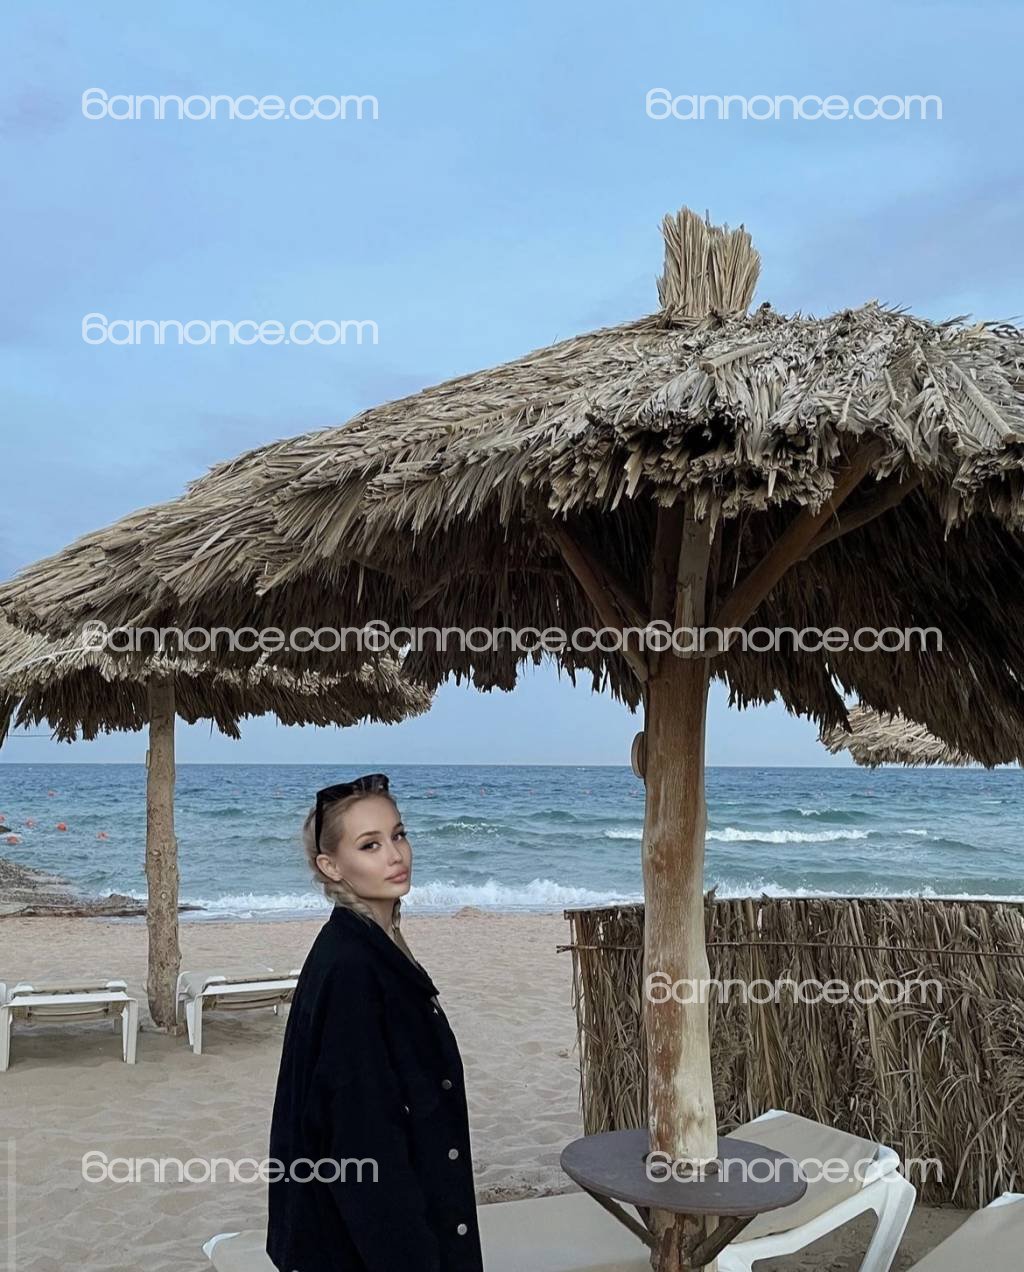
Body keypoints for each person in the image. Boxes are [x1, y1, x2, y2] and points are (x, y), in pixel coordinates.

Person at [267, 773, 484, 1272]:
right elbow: (362, 1145)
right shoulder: (353, 969)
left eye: (398, 835)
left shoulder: (373, 949)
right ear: (331, 866)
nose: (395, 854)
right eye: (370, 845)